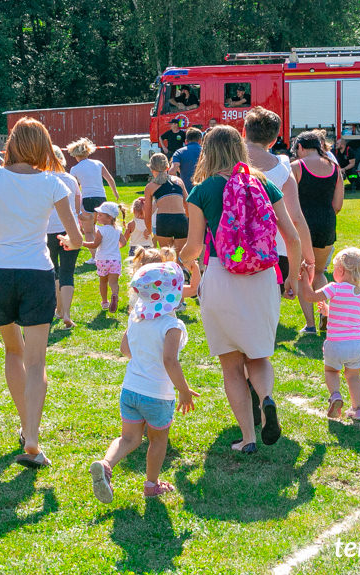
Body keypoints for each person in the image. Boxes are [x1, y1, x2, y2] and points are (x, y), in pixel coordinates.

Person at [0, 117, 82, 468]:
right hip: (36, 272)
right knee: (36, 359)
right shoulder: (54, 183)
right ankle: (32, 435)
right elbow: (76, 237)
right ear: (43, 146)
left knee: (13, 351)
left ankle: (26, 429)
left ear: (11, 144)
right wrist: (68, 241)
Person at [180, 125, 301, 453]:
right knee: (259, 355)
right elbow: (292, 235)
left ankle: (248, 438)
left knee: (231, 364)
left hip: (222, 275)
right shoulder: (262, 183)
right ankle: (266, 398)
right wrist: (291, 277)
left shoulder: (201, 191)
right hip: (262, 275)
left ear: (208, 152)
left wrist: (179, 260)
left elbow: (192, 247)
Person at [89, 257, 200, 503]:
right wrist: (184, 390)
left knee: (129, 438)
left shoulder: (135, 318)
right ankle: (151, 484)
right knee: (157, 440)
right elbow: (170, 360)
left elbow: (125, 350)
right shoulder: (173, 325)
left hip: (130, 389)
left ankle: (106, 464)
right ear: (173, 294)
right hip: (157, 396)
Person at [243, 107, 315, 292]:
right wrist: (308, 258)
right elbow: (296, 218)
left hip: (234, 248)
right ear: (274, 140)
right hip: (275, 251)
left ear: (244, 132)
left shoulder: (226, 164)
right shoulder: (283, 169)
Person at [299, 247, 360, 421]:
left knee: (331, 372)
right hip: (357, 346)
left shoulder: (335, 288)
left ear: (341, 270)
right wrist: (328, 312)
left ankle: (336, 396)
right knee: (354, 377)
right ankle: (358, 410)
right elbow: (347, 315)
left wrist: (303, 280)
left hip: (336, 344)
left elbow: (310, 297)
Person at [291, 131, 344, 334]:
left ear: (301, 147)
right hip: (327, 222)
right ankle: (327, 315)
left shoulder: (296, 167)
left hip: (303, 224)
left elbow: (290, 202)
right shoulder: (334, 167)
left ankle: (310, 325)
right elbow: (338, 204)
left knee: (302, 274)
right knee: (320, 272)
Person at [67, 137, 119, 264]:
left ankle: (95, 257)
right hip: (101, 198)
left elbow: (75, 189)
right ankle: (106, 251)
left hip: (87, 199)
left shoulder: (74, 169)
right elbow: (110, 179)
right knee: (101, 226)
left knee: (88, 230)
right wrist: (115, 192)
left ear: (74, 154)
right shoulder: (98, 163)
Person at [45, 145, 81, 329]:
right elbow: (77, 205)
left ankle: (57, 308)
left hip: (48, 230)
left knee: (53, 270)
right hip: (70, 229)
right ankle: (65, 312)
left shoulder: (43, 179)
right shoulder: (71, 179)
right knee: (68, 272)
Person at [82, 201, 127, 313]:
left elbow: (95, 245)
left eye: (101, 215)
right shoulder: (118, 230)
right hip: (115, 260)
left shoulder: (101, 230)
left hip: (102, 260)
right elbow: (124, 242)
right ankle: (115, 295)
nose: (98, 217)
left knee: (103, 281)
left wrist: (81, 243)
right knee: (113, 282)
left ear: (109, 217)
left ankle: (105, 302)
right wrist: (115, 247)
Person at [143, 153, 188, 256]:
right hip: (180, 219)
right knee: (180, 256)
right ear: (167, 167)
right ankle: (183, 271)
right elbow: (187, 204)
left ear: (151, 169)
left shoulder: (150, 187)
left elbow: (148, 213)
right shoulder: (178, 181)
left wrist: (149, 230)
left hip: (164, 220)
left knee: (166, 257)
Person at [170, 127, 202, 194]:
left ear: (186, 141)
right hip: (204, 190)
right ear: (200, 140)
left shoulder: (179, 152)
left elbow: (172, 172)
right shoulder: (206, 152)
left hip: (186, 192)